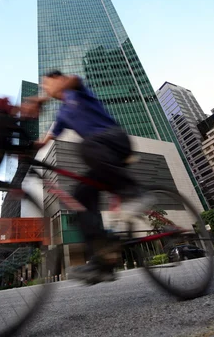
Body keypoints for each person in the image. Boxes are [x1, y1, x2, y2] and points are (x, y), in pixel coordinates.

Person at [22, 70, 152, 284]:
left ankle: (135, 193)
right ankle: (103, 261)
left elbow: (73, 80)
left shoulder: (77, 91)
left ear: (59, 80)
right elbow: (44, 140)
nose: (46, 88)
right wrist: (24, 147)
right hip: (100, 155)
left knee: (86, 146)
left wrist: (44, 97)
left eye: (48, 84)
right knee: (80, 196)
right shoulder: (62, 115)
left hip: (115, 140)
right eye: (44, 87)